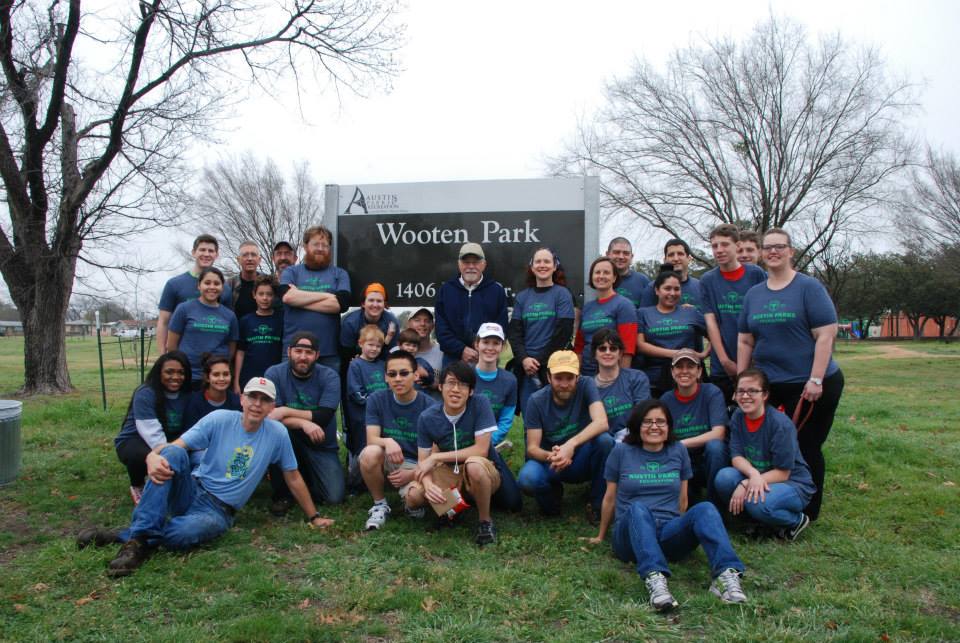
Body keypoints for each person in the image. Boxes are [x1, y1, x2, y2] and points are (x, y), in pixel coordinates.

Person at [78, 377, 334, 577]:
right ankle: (135, 544)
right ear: (242, 399)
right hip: (193, 488)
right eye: (252, 397)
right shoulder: (220, 418)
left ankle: (128, 536)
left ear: (272, 407)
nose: (257, 404)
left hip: (218, 510)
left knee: (183, 535)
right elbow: (176, 446)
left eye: (264, 400)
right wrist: (151, 457)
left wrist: (314, 517)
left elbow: (293, 476)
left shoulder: (277, 433)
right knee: (175, 455)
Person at [587, 400, 747, 612]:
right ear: (637, 425)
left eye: (660, 421)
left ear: (669, 426)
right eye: (647, 421)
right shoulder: (621, 451)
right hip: (629, 535)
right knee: (638, 508)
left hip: (666, 531)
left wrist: (681, 526)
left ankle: (726, 575)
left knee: (705, 508)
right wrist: (601, 535)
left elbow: (682, 499)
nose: (654, 426)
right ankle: (655, 579)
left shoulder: (678, 450)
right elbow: (609, 497)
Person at [737, 228, 844, 521]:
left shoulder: (809, 288)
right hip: (770, 384)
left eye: (779, 247)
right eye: (768, 247)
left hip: (810, 383)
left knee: (806, 446)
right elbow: (745, 340)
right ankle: (768, 498)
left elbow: (825, 335)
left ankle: (808, 508)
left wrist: (816, 379)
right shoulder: (754, 295)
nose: (773, 252)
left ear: (790, 251)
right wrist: (743, 381)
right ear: (760, 253)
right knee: (771, 445)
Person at [407, 362, 503, 546]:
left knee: (474, 465)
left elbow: (481, 450)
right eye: (451, 383)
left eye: (463, 384)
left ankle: (485, 522)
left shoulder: (480, 404)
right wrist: (427, 485)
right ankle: (452, 508)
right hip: (449, 471)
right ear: (441, 386)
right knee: (413, 496)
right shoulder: (427, 417)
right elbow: (422, 461)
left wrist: (436, 457)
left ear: (471, 391)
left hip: (481, 468)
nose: (456, 390)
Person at [714, 369, 816, 540]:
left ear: (765, 395)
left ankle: (796, 520)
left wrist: (746, 483)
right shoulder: (738, 416)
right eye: (741, 391)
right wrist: (753, 474)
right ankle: (756, 521)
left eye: (753, 391)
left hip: (791, 483)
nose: (745, 396)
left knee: (757, 504)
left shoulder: (780, 424)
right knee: (724, 478)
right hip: (759, 475)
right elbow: (737, 456)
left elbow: (783, 472)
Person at [517, 350, 611, 521]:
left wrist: (570, 445)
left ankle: (597, 503)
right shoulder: (535, 400)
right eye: (558, 378)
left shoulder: (586, 384)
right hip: (550, 461)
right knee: (527, 478)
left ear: (578, 377)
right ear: (548, 377)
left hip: (580, 456)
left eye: (569, 378)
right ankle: (552, 498)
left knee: (605, 441)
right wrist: (554, 456)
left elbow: (602, 422)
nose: (564, 384)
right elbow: (532, 448)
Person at [264, 331, 344, 514]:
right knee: (278, 433)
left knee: (334, 497)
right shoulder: (274, 373)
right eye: (298, 351)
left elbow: (324, 416)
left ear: (316, 355)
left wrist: (285, 410)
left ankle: (307, 481)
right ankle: (282, 494)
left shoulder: (329, 376)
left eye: (308, 353)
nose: (303, 357)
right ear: (289, 351)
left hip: (321, 444)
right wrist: (303, 423)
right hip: (289, 440)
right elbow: (271, 417)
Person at [360, 350, 438, 530]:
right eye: (392, 374)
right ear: (385, 377)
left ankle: (410, 503)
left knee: (416, 499)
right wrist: (387, 441)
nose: (398, 379)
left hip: (417, 464)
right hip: (388, 458)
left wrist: (412, 473)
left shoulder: (430, 406)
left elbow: (435, 454)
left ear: (416, 375)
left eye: (404, 373)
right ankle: (380, 504)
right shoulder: (376, 399)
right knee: (370, 452)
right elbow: (371, 438)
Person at [114, 351, 192, 505]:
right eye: (169, 372)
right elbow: (151, 433)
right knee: (142, 456)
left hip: (171, 440)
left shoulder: (188, 394)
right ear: (159, 372)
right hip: (136, 439)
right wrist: (169, 457)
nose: (175, 377)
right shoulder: (146, 393)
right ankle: (138, 485)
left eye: (181, 373)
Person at [700, 224, 766, 402]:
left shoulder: (756, 274)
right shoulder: (708, 280)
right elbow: (711, 322)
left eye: (724, 244)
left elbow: (762, 319)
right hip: (722, 363)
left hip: (754, 361)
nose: (719, 250)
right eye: (714, 246)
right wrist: (724, 360)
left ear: (737, 246)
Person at [507, 246, 576, 411]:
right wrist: (524, 359)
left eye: (547, 261)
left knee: (557, 416)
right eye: (538, 261)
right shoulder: (523, 297)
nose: (542, 265)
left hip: (554, 367)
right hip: (526, 369)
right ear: (532, 267)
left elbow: (564, 331)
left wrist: (540, 361)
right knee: (530, 419)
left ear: (554, 266)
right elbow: (515, 332)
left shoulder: (562, 294)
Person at [660, 350, 728, 503]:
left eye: (690, 366)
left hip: (708, 459)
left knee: (715, 447)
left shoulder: (712, 392)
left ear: (699, 371)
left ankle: (716, 505)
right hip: (682, 460)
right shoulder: (666, 400)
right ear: (672, 372)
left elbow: (719, 434)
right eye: (679, 367)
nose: (684, 371)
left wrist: (682, 443)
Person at [280, 225, 351, 371]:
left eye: (325, 245)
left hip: (328, 353)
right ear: (305, 246)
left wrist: (299, 299)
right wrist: (328, 296)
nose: (320, 248)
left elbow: (341, 304)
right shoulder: (291, 272)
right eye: (316, 244)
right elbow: (287, 297)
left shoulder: (339, 274)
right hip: (294, 351)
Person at [471, 323, 523, 513]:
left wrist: (486, 443)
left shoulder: (509, 380)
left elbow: (506, 420)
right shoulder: (465, 374)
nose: (490, 348)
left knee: (513, 504)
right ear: (477, 344)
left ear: (503, 347)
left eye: (496, 343)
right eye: (486, 342)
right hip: (463, 443)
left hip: (489, 444)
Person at [434, 242, 508, 367]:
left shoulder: (496, 291)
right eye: (466, 262)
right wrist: (461, 350)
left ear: (484, 264)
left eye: (476, 262)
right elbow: (441, 329)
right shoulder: (446, 290)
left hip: (486, 359)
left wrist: (483, 349)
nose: (471, 266)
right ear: (459, 265)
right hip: (453, 359)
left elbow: (501, 327)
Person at [636, 269, 708, 397]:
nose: (672, 293)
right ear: (657, 290)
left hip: (688, 378)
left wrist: (704, 354)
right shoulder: (643, 313)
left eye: (677, 289)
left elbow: (715, 333)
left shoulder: (690, 312)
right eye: (667, 288)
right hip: (654, 381)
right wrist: (677, 354)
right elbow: (640, 345)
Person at [166, 266, 239, 386]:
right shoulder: (184, 309)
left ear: (222, 288)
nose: (212, 287)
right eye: (207, 283)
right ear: (199, 286)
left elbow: (231, 348)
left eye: (216, 283)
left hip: (217, 379)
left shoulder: (230, 315)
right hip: (189, 376)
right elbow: (171, 345)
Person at [156, 234, 231, 350]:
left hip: (214, 360)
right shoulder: (174, 284)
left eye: (211, 251)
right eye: (202, 250)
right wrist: (163, 357)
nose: (206, 254)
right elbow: (163, 322)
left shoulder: (225, 289)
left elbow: (228, 323)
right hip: (182, 357)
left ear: (216, 255)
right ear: (193, 252)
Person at [574, 256, 637, 377]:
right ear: (592, 277)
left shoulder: (624, 305)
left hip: (611, 373)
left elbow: (628, 349)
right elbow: (579, 346)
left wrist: (621, 379)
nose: (601, 276)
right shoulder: (587, 307)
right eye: (597, 272)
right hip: (586, 372)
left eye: (606, 272)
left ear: (614, 278)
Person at [344, 325, 388, 492]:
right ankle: (355, 483)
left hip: (382, 416)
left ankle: (377, 479)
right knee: (362, 448)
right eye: (370, 344)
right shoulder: (355, 365)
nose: (374, 349)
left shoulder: (383, 365)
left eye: (378, 346)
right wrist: (376, 404)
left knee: (379, 447)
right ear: (360, 343)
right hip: (362, 416)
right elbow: (356, 393)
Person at [588, 329, 650, 441]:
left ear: (620, 354)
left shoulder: (637, 378)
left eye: (613, 348)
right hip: (604, 445)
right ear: (594, 354)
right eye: (602, 348)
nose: (608, 352)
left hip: (635, 439)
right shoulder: (588, 386)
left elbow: (643, 414)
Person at [233, 275, 283, 393]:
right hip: (249, 377)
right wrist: (236, 381)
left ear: (275, 296)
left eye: (269, 294)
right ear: (254, 295)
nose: (265, 298)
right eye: (261, 294)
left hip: (274, 377)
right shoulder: (245, 320)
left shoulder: (281, 319)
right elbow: (240, 352)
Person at [340, 282, 399, 363]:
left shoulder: (392, 322)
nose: (375, 305)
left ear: (384, 304)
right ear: (363, 303)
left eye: (379, 301)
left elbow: (392, 352)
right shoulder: (350, 322)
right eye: (371, 300)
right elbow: (346, 352)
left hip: (383, 362)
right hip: (355, 361)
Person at [639, 239, 703, 310]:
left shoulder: (701, 287)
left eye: (680, 254)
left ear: (689, 258)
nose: (676, 258)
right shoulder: (652, 288)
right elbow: (644, 317)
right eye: (671, 255)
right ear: (665, 260)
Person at [183, 353, 241, 431]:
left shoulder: (237, 402)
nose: (221, 378)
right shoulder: (194, 402)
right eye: (216, 374)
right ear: (207, 378)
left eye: (226, 374)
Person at [606, 237, 650, 308]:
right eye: (617, 252)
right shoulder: (600, 279)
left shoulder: (643, 281)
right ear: (607, 254)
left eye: (626, 253)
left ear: (631, 257)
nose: (621, 257)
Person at [229, 241, 265, 320]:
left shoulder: (268, 283)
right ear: (238, 260)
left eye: (253, 255)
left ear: (259, 260)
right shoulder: (229, 284)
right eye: (245, 255)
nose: (249, 258)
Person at [397, 328, 436, 393]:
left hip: (420, 398)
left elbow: (432, 380)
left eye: (414, 346)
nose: (411, 348)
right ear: (400, 345)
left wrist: (426, 375)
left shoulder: (421, 362)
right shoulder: (395, 363)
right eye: (407, 345)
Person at [406, 307, 443, 374]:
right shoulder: (396, 352)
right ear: (408, 324)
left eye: (427, 321)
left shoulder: (442, 351)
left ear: (432, 326)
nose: (422, 324)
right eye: (417, 320)